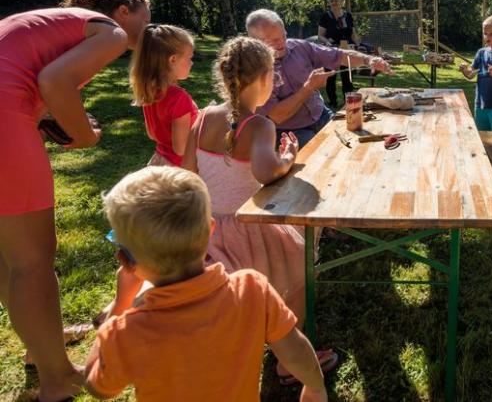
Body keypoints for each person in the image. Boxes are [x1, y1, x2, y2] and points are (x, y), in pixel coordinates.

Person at [0, 0, 150, 401]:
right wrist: (84, 136)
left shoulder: (52, 23)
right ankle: (57, 379)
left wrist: (56, 123)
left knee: (8, 257)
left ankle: (40, 346)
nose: (147, 27)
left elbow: (37, 84)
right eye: (146, 16)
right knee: (32, 261)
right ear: (124, 10)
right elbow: (54, 81)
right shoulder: (111, 32)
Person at [84, 166, 327, 402]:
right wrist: (315, 388)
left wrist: (120, 303)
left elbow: (98, 387)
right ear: (211, 230)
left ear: (125, 261)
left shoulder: (126, 332)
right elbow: (295, 351)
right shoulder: (252, 290)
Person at [181, 36, 338, 384]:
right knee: (296, 277)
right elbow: (266, 172)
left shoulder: (203, 117)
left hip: (208, 228)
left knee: (234, 300)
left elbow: (187, 170)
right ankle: (289, 359)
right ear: (266, 78)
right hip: (249, 225)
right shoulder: (260, 125)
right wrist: (288, 157)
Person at [244, 9, 394, 148]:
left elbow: (338, 55)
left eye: (283, 35)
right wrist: (309, 87)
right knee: (323, 157)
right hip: (289, 131)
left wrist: (368, 60)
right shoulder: (254, 71)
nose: (282, 42)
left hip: (321, 114)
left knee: (351, 145)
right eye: (274, 40)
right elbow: (277, 116)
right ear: (256, 42)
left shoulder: (299, 47)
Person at [130, 24, 198, 166]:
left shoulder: (150, 91)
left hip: (159, 161)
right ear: (173, 60)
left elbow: (152, 134)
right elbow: (181, 149)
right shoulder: (179, 98)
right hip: (179, 169)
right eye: (189, 58)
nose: (192, 63)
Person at [317, 0, 359, 109]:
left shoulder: (348, 16)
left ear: (342, 1)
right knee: (331, 77)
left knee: (347, 77)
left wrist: (358, 45)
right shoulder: (326, 16)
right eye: (332, 1)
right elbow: (320, 35)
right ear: (329, 2)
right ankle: (333, 102)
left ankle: (349, 102)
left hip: (347, 50)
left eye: (337, 0)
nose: (334, 3)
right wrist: (326, 41)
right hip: (331, 51)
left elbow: (353, 33)